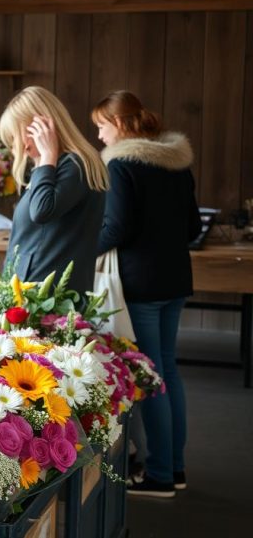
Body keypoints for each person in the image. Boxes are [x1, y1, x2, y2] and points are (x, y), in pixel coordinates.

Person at [94, 90, 201, 498]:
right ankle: (174, 468)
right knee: (168, 372)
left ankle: (158, 476)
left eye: (102, 127)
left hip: (139, 284)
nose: (101, 137)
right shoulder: (175, 164)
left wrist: (78, 251)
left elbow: (116, 229)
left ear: (119, 125)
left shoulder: (122, 164)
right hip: (175, 280)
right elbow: (192, 227)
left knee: (152, 378)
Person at [0, 86, 108, 296]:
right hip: (34, 290)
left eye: (14, 137)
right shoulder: (55, 167)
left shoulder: (75, 165)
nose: (14, 148)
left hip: (49, 295)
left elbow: (42, 211)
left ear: (39, 127)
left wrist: (47, 155)